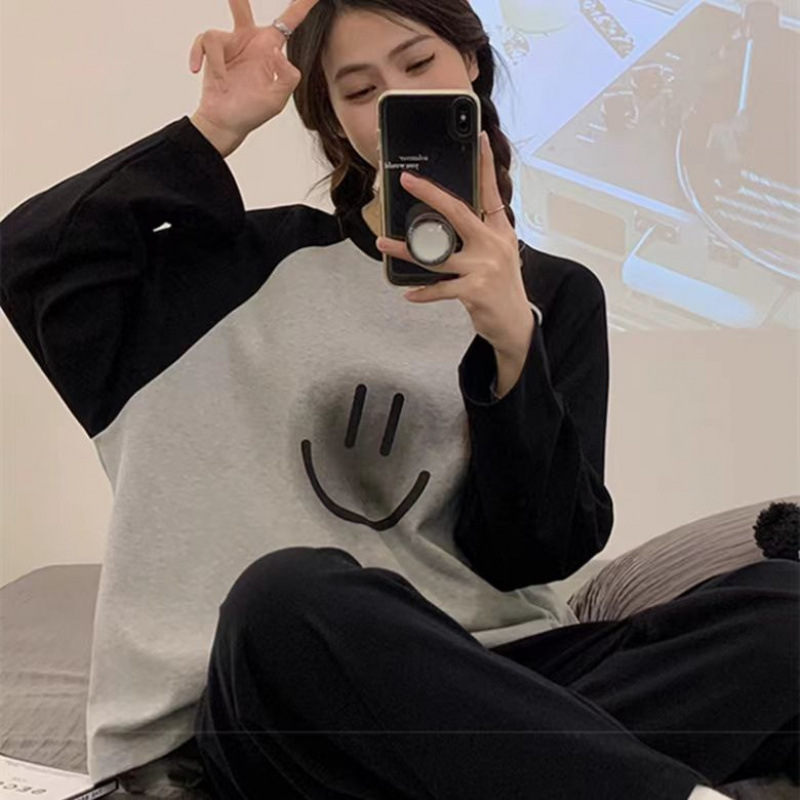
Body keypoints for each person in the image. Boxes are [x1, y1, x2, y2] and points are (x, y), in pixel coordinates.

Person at [0, 0, 796, 798]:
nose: (395, 100)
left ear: (471, 63)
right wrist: (216, 125)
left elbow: (536, 553)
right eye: (358, 89)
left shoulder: (555, 297)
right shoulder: (227, 269)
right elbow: (31, 256)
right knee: (289, 596)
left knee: (782, 611)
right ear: (332, 118)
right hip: (271, 716)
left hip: (495, 691)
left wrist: (510, 343)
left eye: (418, 65)